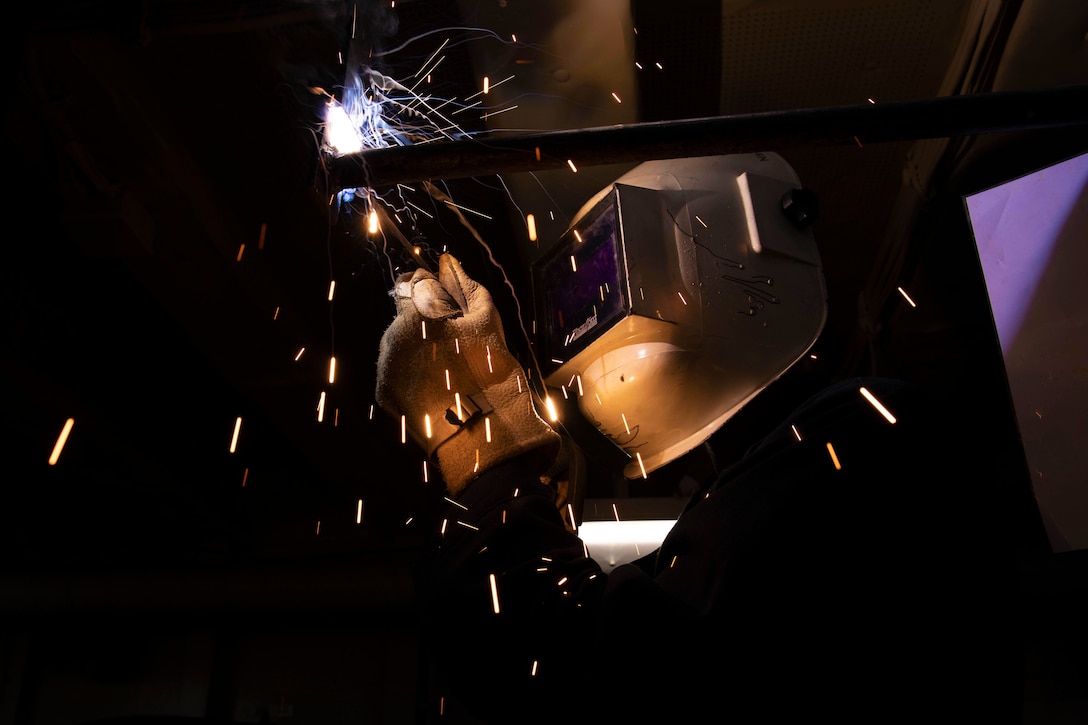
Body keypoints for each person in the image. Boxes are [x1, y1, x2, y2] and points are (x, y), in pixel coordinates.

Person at [376, 253, 1022, 724]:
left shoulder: (866, 430)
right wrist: (521, 481)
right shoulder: (761, 489)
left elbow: (577, 675)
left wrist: (481, 436)